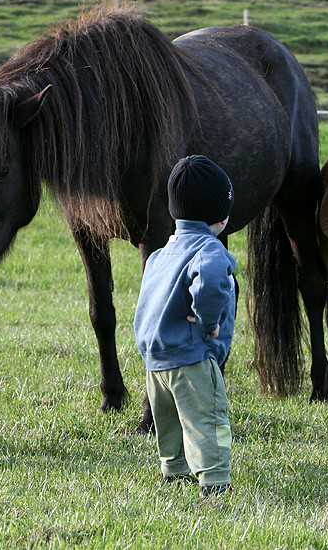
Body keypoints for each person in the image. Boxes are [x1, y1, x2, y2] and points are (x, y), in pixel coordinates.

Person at [133, 155, 237, 497]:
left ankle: (174, 471)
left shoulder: (161, 253)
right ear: (220, 214)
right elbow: (208, 283)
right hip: (192, 358)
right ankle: (216, 480)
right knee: (210, 420)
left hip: (157, 361)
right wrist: (209, 324)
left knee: (169, 421)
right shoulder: (210, 251)